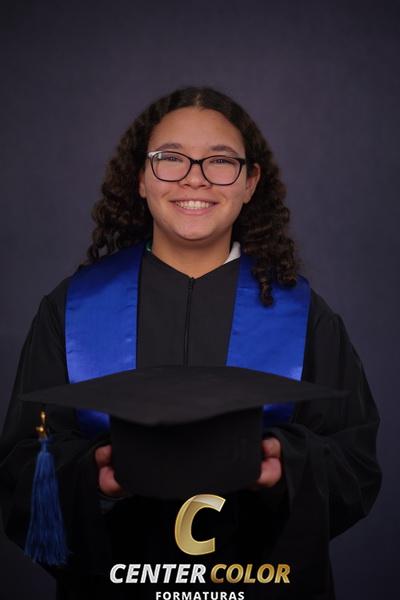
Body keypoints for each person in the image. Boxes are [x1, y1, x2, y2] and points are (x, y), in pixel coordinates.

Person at [0, 86, 382, 600]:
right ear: (141, 178)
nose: (194, 178)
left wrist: (283, 464)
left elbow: (355, 465)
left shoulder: (304, 315)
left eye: (220, 161)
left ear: (250, 182)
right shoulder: (72, 309)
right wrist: (94, 478)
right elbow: (22, 466)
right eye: (170, 158)